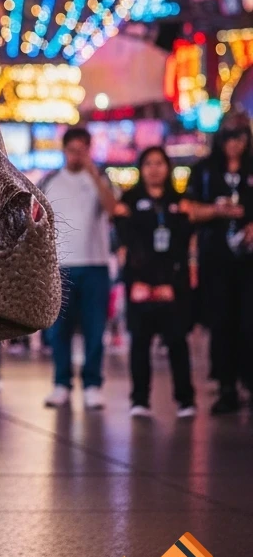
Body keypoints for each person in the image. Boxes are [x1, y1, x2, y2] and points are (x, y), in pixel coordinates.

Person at [40, 126, 118, 409]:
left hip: (96, 266)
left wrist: (94, 174)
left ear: (89, 150)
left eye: (82, 150)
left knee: (95, 329)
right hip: (60, 268)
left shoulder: (101, 179)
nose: (76, 156)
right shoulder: (50, 180)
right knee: (58, 331)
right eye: (72, 150)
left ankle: (93, 385)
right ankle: (61, 384)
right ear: (64, 151)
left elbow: (113, 210)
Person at [115, 147, 195, 418]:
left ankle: (185, 400)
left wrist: (172, 284)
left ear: (167, 167)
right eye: (148, 163)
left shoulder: (179, 201)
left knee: (177, 341)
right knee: (140, 342)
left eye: (159, 163)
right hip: (139, 284)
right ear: (141, 168)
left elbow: (183, 246)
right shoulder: (130, 200)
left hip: (171, 285)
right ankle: (139, 400)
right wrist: (139, 282)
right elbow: (126, 241)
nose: (154, 168)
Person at [184, 112, 253, 414]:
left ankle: (249, 383)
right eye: (230, 138)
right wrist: (216, 210)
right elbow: (188, 209)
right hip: (216, 260)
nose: (235, 145)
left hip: (249, 262)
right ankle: (226, 387)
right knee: (222, 322)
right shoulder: (205, 170)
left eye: (241, 138)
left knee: (249, 323)